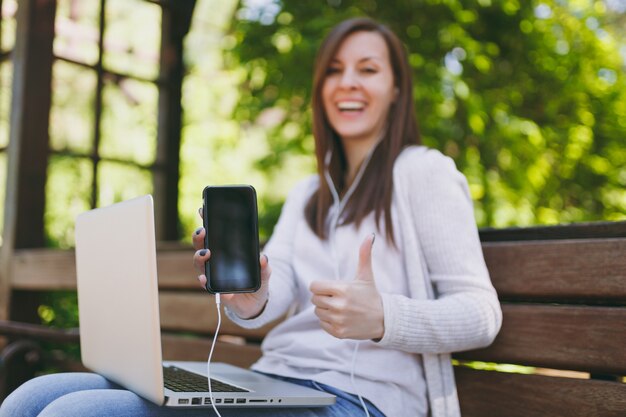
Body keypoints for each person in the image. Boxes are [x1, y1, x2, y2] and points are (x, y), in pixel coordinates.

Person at [0, 17, 501, 417]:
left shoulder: (423, 173)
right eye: (333, 70)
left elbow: (481, 313)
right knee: (32, 398)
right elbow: (276, 285)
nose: (348, 82)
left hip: (360, 400)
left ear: (396, 89)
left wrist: (384, 318)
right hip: (273, 381)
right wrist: (252, 291)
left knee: (80, 413)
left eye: (368, 69)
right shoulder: (311, 190)